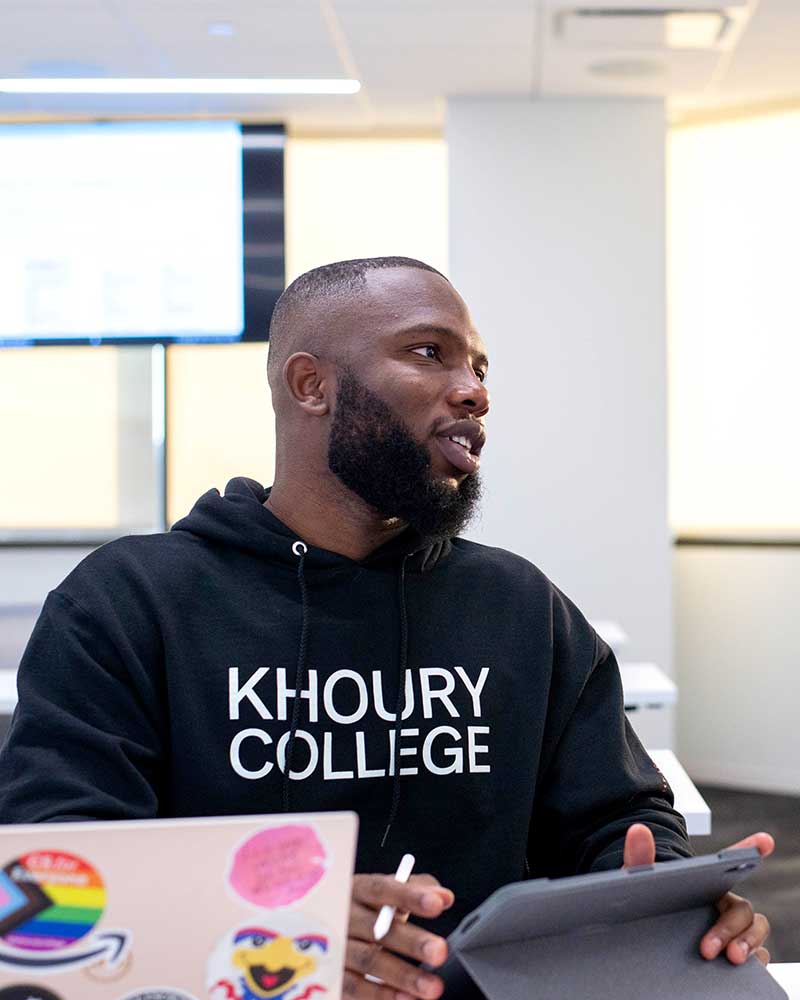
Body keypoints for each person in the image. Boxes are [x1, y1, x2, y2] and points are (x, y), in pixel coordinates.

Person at [0, 257, 772, 999]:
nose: (473, 392)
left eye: (480, 367)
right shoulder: (130, 603)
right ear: (311, 385)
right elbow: (50, 874)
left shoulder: (517, 605)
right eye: (430, 353)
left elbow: (620, 817)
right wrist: (262, 930)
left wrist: (668, 903)